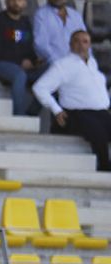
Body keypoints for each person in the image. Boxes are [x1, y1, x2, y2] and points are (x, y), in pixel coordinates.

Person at [32, 30, 111, 173]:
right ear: (70, 44)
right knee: (98, 132)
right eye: (76, 41)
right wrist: (56, 110)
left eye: (85, 42)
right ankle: (104, 168)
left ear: (90, 45)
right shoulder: (62, 65)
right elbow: (40, 87)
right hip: (77, 114)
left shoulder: (92, 63)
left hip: (101, 112)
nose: (81, 45)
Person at [0, 0, 41, 117]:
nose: (16, 2)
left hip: (21, 66)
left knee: (49, 76)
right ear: (6, 1)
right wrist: (20, 62)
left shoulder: (25, 23)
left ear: (24, 3)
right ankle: (19, 116)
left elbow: (28, 48)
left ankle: (32, 113)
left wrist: (35, 61)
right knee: (19, 75)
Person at [32, 0, 86, 68]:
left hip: (76, 64)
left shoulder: (76, 16)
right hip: (53, 64)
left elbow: (85, 41)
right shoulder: (41, 15)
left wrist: (86, 61)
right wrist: (61, 63)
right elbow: (40, 45)